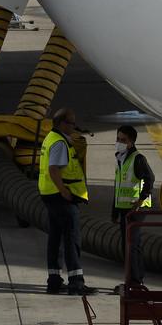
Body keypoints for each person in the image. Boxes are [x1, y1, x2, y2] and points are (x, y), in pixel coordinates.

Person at [38, 107, 92, 296]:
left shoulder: (51, 138)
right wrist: (65, 192)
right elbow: (54, 169)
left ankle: (54, 280)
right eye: (71, 122)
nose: (74, 126)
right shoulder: (60, 143)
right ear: (61, 123)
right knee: (72, 238)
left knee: (55, 238)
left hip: (50, 194)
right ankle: (76, 282)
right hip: (60, 196)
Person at [111, 124, 157, 288]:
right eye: (118, 139)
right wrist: (114, 211)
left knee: (132, 245)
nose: (119, 142)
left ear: (131, 142)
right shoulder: (120, 157)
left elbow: (150, 180)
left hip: (136, 209)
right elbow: (118, 186)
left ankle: (136, 281)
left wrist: (139, 201)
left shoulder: (137, 158)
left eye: (123, 140)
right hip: (124, 208)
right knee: (127, 245)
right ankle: (130, 280)